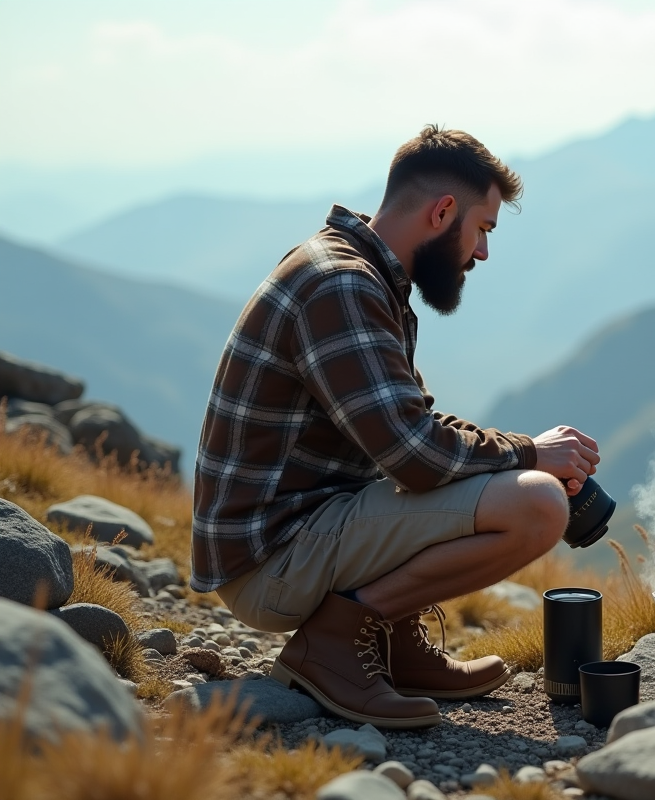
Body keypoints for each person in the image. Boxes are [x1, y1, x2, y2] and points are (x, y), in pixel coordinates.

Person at [191, 125, 601, 729]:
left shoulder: (363, 275)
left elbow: (408, 425)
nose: (482, 252)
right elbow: (416, 456)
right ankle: (331, 644)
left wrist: (522, 454)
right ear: (442, 212)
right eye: (482, 230)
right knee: (537, 505)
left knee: (511, 484)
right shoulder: (343, 284)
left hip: (295, 530)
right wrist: (530, 457)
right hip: (270, 562)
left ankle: (390, 640)